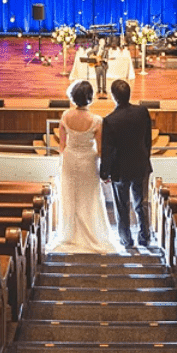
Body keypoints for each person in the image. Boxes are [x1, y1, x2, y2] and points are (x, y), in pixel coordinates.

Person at [50, 79, 122, 254]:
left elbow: (62, 146)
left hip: (69, 159)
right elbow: (100, 150)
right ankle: (92, 234)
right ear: (90, 98)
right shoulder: (96, 120)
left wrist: (70, 154)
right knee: (90, 197)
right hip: (88, 161)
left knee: (70, 196)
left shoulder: (65, 116)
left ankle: (69, 234)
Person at [99, 78, 154, 248]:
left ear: (113, 97)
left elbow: (107, 151)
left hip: (120, 169)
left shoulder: (109, 120)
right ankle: (144, 237)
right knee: (141, 204)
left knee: (122, 207)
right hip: (140, 164)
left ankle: (126, 240)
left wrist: (104, 173)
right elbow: (148, 140)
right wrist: (146, 158)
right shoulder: (142, 112)